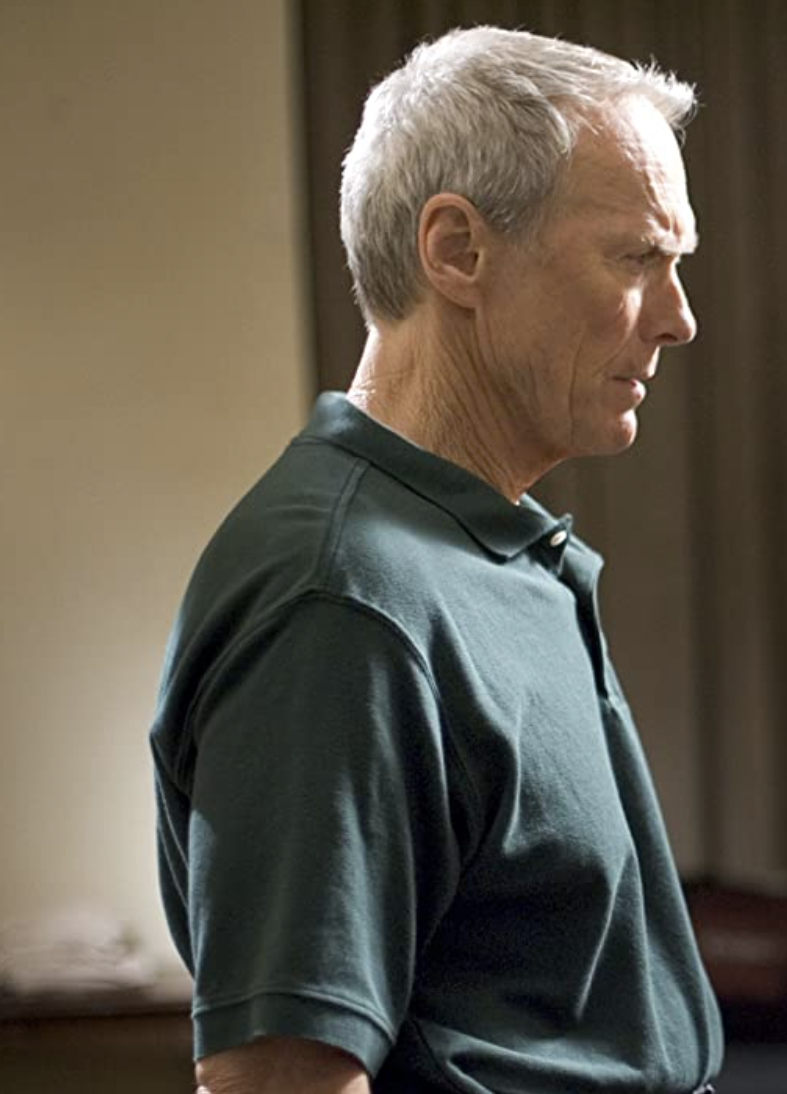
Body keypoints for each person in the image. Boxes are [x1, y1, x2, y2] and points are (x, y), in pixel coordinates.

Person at [150, 26, 719, 1094]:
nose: (680, 319)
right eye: (637, 257)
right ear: (457, 250)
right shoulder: (339, 600)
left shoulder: (478, 552)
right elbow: (280, 1079)